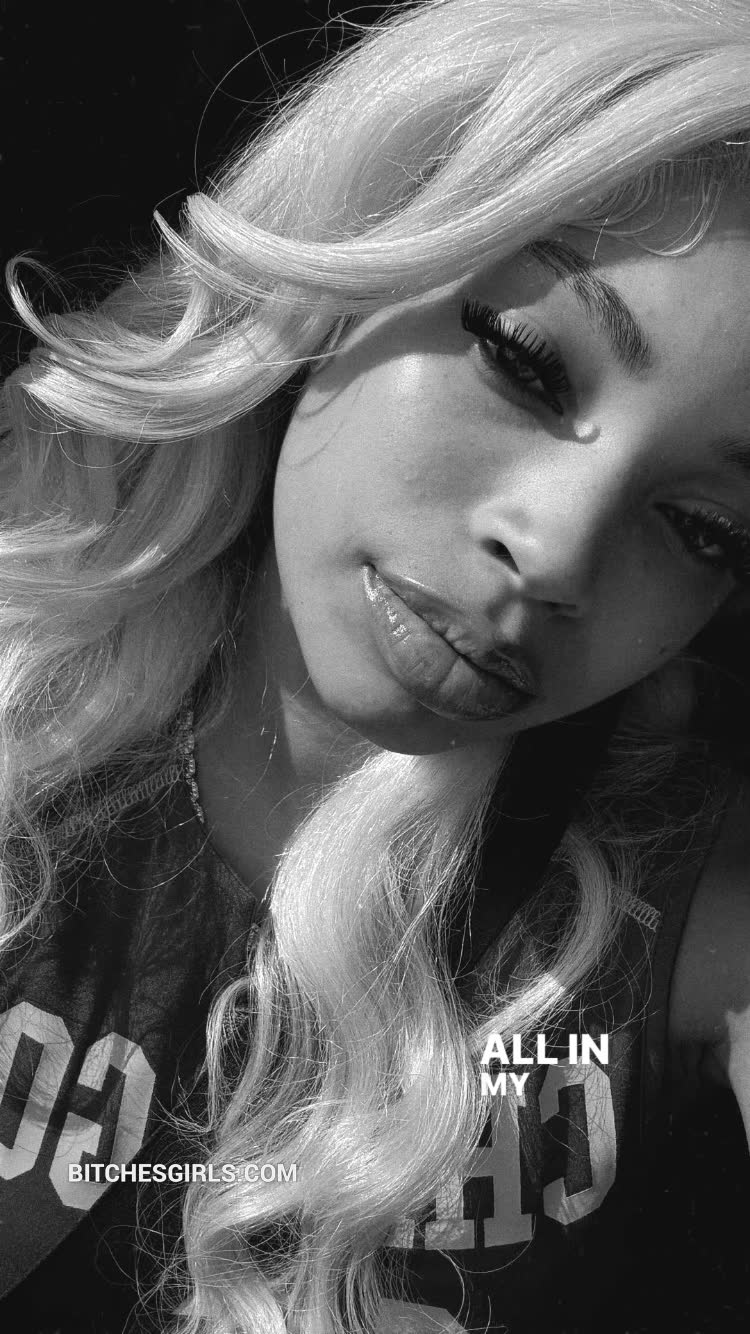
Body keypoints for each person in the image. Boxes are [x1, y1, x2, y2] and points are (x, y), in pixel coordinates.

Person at [1, 0, 750, 1329]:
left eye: (704, 527)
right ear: (360, 254)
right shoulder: (27, 648)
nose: (555, 550)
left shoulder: (691, 910)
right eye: (525, 361)